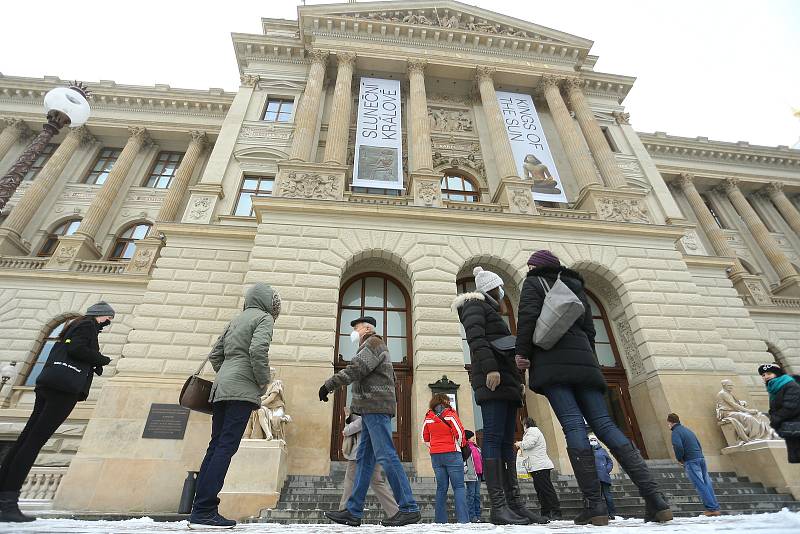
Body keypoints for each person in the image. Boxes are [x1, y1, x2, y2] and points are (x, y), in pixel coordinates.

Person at [515, 250, 671, 526]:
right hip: (585, 362)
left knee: (574, 427)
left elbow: (527, 319)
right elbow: (589, 328)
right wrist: (583, 352)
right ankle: (656, 499)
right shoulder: (575, 284)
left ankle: (594, 506)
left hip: (552, 363)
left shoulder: (533, 283)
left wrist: (523, 353)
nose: (528, 268)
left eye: (531, 265)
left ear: (537, 267)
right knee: (607, 426)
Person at [0, 302, 115, 523]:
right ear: (100, 316)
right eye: (108, 319)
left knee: (25, 440)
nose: (108, 323)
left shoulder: (73, 326)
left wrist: (93, 363)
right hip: (63, 390)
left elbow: (73, 349)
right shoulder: (87, 326)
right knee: (33, 443)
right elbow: (77, 349)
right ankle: (8, 503)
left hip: (48, 384)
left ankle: (4, 498)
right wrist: (101, 360)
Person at [452, 266, 547, 525]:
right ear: (492, 288)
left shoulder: (492, 312)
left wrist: (518, 382)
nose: (503, 293)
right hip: (492, 382)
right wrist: (491, 368)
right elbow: (476, 340)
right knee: (493, 439)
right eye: (500, 288)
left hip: (506, 384)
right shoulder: (475, 306)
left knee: (506, 442)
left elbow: (507, 353)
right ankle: (499, 506)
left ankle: (515, 505)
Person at [189, 282, 279, 530]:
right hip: (241, 390)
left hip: (221, 388)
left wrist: (227, 376)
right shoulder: (264, 319)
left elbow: (216, 354)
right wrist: (262, 382)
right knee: (226, 447)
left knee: (215, 446)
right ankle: (206, 510)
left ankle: (199, 509)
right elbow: (258, 350)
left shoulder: (236, 320)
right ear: (266, 301)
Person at [319, 316, 420, 527]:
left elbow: (356, 369)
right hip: (371, 409)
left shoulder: (373, 343)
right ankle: (353, 511)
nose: (353, 332)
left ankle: (409, 507)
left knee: (386, 455)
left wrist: (329, 384)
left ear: (365, 328)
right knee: (364, 461)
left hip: (375, 408)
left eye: (355, 327)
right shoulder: (374, 345)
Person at [339, 409, 399, 518]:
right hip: (374, 448)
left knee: (350, 480)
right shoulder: (374, 405)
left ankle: (344, 509)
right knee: (376, 481)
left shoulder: (364, 404)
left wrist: (347, 429)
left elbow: (362, 421)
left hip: (360, 450)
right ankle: (394, 512)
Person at [422, 393, 469, 524]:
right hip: (452, 453)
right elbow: (460, 434)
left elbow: (424, 437)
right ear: (446, 402)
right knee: (459, 487)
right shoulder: (451, 414)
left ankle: (440, 520)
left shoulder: (428, 417)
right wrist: (461, 445)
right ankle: (463, 520)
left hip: (436, 456)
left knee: (441, 488)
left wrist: (434, 447)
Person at [667, 413, 721, 517]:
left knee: (699, 484)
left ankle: (712, 508)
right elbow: (698, 443)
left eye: (668, 423)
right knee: (707, 483)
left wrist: (680, 459)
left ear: (670, 422)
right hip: (700, 458)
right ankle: (715, 507)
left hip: (690, 460)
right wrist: (699, 455)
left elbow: (678, 446)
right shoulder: (688, 430)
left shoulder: (675, 432)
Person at [516, 418, 561, 520]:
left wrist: (520, 444)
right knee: (540, 490)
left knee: (546, 489)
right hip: (536, 466)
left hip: (540, 466)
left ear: (526, 424)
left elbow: (529, 444)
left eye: (523, 424)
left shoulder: (532, 431)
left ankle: (555, 512)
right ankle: (546, 512)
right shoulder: (532, 432)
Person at [758, 363, 800, 463]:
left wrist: (773, 420)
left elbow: (791, 408)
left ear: (777, 374)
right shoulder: (775, 388)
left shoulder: (790, 385)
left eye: (769, 373)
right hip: (790, 429)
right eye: (763, 375)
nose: (765, 377)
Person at [589, 434, 616, 520]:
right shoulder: (588, 451)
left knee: (608, 496)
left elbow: (610, 462)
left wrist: (606, 470)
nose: (593, 441)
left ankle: (611, 513)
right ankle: (601, 513)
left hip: (604, 476)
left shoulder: (602, 450)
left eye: (594, 439)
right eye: (591, 440)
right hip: (594, 477)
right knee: (598, 497)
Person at [464, 430, 483, 522]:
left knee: (477, 495)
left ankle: (478, 515)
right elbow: (463, 460)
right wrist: (465, 469)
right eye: (472, 436)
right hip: (471, 474)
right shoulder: (466, 447)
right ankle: (472, 516)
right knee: (471, 495)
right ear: (468, 438)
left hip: (478, 474)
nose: (474, 437)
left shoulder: (477, 447)